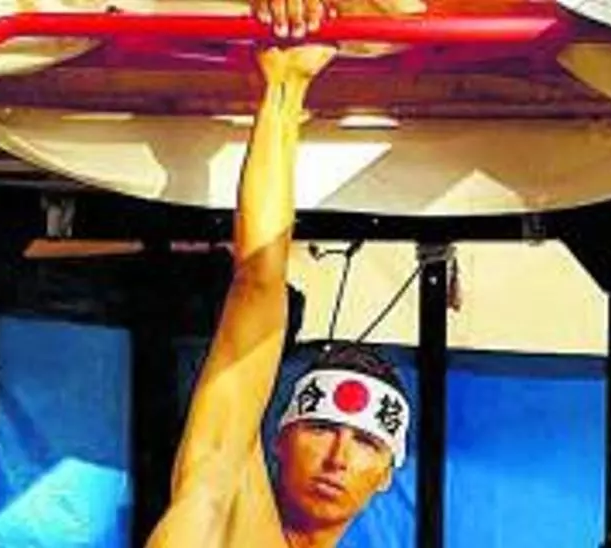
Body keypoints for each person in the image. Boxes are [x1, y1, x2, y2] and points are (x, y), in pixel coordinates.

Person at [145, 10, 412, 548]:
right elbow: (259, 282)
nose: (337, 459)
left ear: (387, 473)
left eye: (365, 441)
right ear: (279, 439)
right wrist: (284, 90)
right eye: (321, 429)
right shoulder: (218, 508)